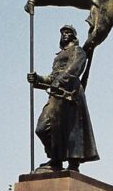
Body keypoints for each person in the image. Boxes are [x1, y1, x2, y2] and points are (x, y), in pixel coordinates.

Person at [27, 24, 99, 173]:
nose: (65, 34)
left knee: (72, 130)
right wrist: (37, 79)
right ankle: (55, 159)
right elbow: (52, 77)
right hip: (57, 94)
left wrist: (59, 80)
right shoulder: (59, 55)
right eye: (63, 32)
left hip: (71, 94)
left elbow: (74, 69)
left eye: (68, 32)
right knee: (43, 127)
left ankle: (73, 164)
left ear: (74, 35)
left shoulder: (78, 51)